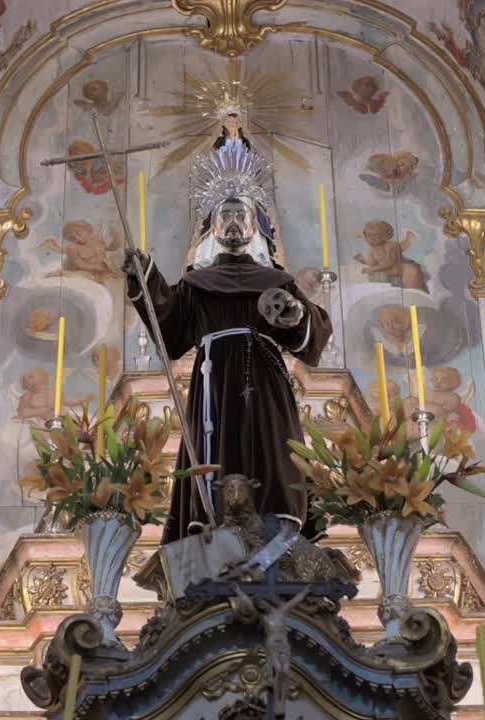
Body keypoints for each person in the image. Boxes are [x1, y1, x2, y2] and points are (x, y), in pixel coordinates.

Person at [123, 143, 331, 542]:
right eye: (226, 215)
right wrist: (144, 276)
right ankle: (211, 519)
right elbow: (170, 325)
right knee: (213, 444)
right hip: (213, 380)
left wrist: (293, 314)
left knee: (271, 444)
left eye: (242, 215)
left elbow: (311, 334)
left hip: (267, 381)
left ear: (255, 226)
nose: (234, 222)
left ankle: (278, 520)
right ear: (212, 227)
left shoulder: (277, 282)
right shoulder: (195, 284)